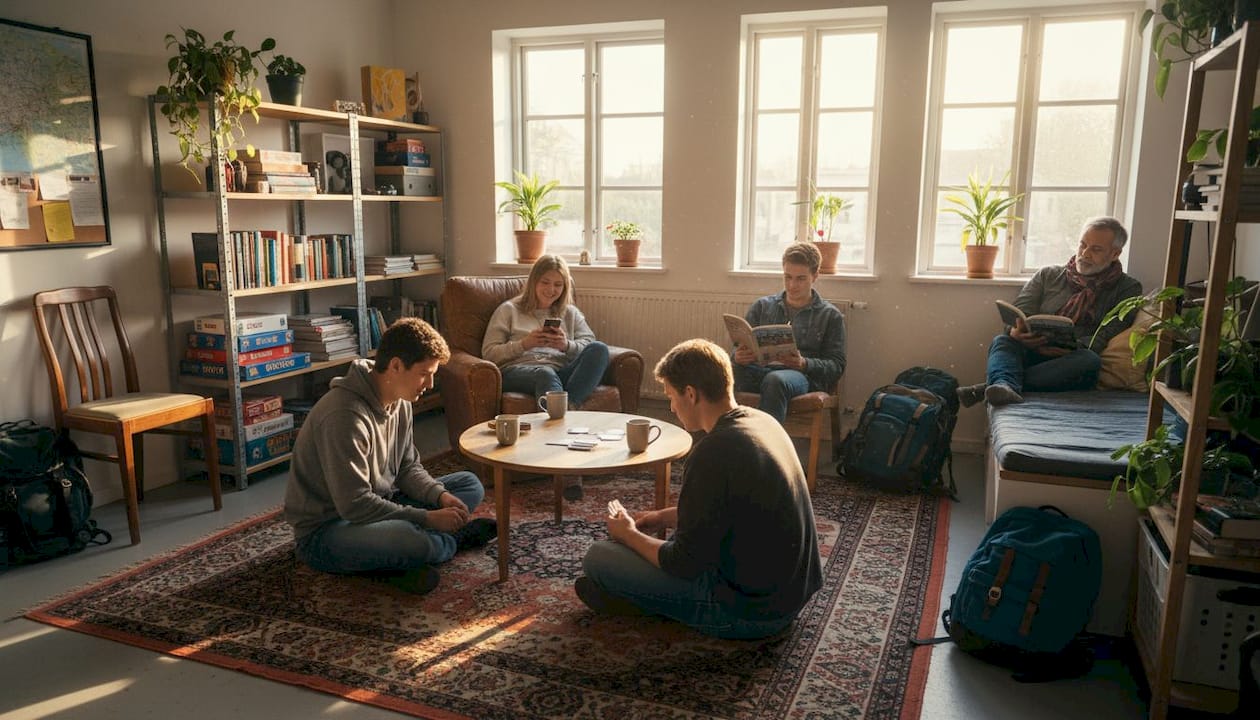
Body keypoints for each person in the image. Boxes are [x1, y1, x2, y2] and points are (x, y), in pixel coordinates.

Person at [575, 339, 822, 640]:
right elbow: (730, 509)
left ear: (690, 394)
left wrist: (629, 535)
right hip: (791, 596)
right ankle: (632, 598)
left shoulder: (712, 451)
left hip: (749, 613)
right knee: (615, 566)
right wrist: (660, 517)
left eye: (671, 397)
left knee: (598, 558)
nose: (671, 407)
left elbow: (682, 562)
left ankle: (638, 601)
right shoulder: (762, 421)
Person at [284, 318, 498, 595]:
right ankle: (449, 542)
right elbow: (354, 505)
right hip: (328, 529)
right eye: (424, 373)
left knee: (469, 484)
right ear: (396, 365)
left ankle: (396, 564)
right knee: (410, 539)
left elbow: (407, 468)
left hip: (381, 504)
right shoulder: (344, 416)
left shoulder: (400, 400)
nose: (430, 384)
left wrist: (439, 497)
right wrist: (427, 518)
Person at [958, 216, 1144, 408]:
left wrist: (1068, 348)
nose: (1085, 254)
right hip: (1029, 352)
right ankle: (1003, 384)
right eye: (1082, 245)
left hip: (1071, 361)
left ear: (1115, 254)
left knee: (1090, 361)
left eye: (1096, 249)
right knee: (1002, 341)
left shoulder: (1128, 288)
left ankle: (997, 385)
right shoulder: (1048, 275)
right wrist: (1016, 332)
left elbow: (1107, 332)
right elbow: (1018, 312)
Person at [482, 254, 610, 500]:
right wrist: (524, 344)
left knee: (600, 350)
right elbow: (489, 353)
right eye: (546, 282)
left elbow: (589, 342)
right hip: (517, 370)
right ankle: (568, 470)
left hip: (558, 372)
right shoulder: (509, 310)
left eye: (558, 285)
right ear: (534, 282)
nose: (552, 290)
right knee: (545, 372)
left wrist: (567, 346)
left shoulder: (570, 313)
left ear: (565, 287)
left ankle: (566, 408)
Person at [731, 242, 846, 422]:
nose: (792, 285)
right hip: (758, 371)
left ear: (815, 276)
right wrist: (737, 357)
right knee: (710, 370)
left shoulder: (830, 315)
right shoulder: (762, 306)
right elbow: (739, 349)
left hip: (800, 377)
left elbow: (836, 366)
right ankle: (715, 444)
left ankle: (766, 446)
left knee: (775, 380)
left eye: (800, 278)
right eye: (787, 277)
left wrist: (804, 363)